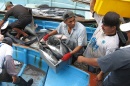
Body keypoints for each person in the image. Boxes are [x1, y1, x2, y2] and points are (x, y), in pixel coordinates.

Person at [83, 0, 126, 84]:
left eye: (105, 26)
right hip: (89, 57)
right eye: (102, 23)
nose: (101, 26)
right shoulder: (102, 22)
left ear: (113, 28)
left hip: (97, 66)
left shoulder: (112, 44)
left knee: (92, 80)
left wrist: (101, 73)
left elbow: (107, 62)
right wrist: (93, 1)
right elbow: (92, 10)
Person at [77, 22, 130, 86]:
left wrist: (82, 59)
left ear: (113, 28)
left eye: (128, 32)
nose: (127, 33)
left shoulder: (122, 52)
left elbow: (101, 63)